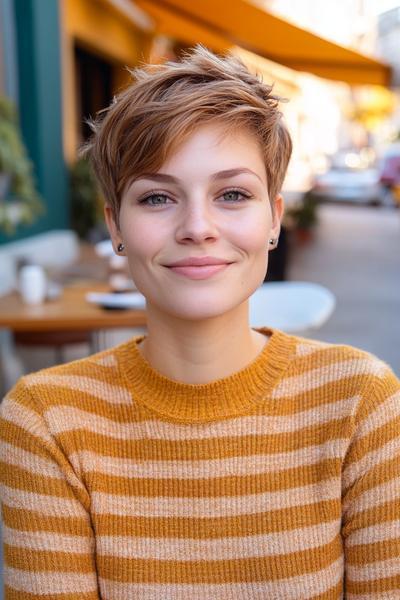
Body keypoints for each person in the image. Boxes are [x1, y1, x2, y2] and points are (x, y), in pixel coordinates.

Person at [0, 46, 399, 600]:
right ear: (116, 226)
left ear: (274, 219)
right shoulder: (47, 423)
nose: (197, 227)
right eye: (158, 197)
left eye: (232, 194)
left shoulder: (362, 406)